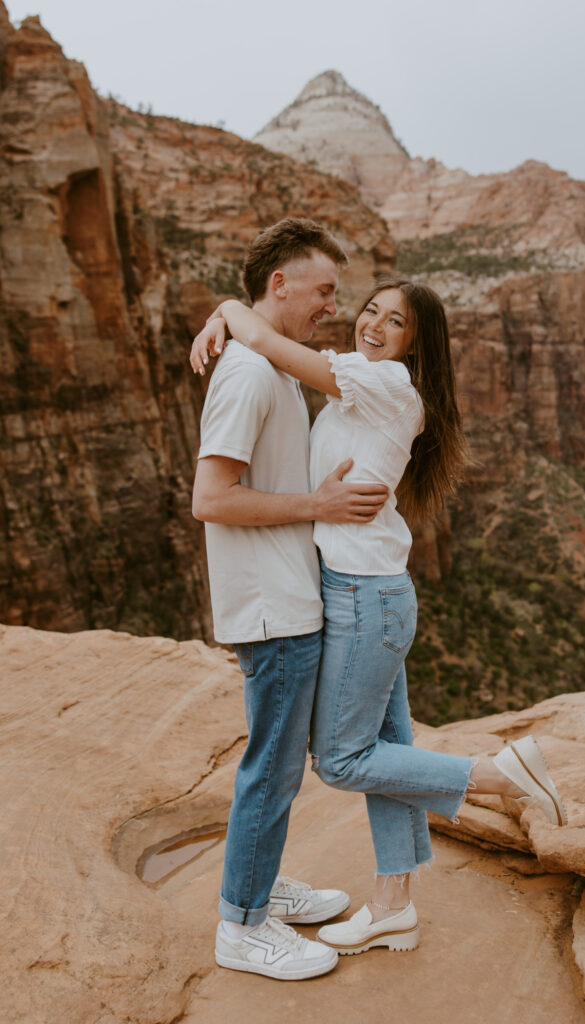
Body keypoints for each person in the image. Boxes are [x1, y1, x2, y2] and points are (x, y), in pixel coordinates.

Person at [192, 275, 567, 959]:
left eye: (393, 322)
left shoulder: (386, 385)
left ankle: (497, 776)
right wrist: (222, 317)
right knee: (388, 751)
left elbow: (268, 339)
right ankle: (393, 907)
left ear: (414, 346)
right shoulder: (362, 376)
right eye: (369, 310)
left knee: (340, 760)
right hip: (359, 591)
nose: (371, 325)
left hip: (365, 601)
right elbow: (272, 346)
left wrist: (224, 312)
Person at [191, 218, 392, 981]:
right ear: (279, 285)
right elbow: (211, 498)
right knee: (272, 766)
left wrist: (224, 311)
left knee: (278, 763)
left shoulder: (268, 364)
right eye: (323, 291)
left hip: (288, 597)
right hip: (270, 606)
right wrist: (317, 505)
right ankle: (241, 928)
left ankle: (257, 884)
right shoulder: (246, 374)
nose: (332, 308)